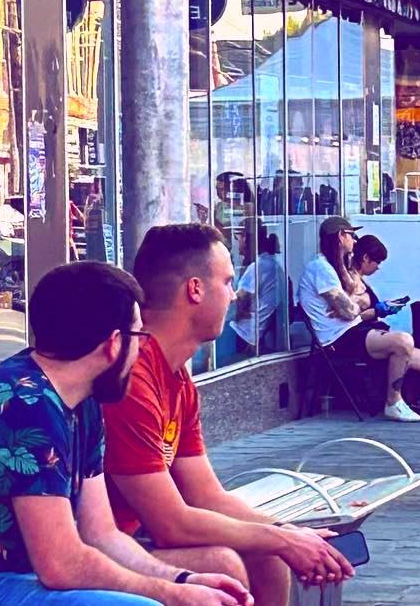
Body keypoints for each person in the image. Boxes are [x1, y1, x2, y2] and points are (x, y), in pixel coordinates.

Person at [0, 260, 250, 606]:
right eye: (140, 337)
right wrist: (171, 594)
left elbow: (101, 535)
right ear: (115, 343)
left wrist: (182, 580)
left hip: (4, 574)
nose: (142, 351)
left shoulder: (81, 403)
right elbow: (62, 565)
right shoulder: (25, 406)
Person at [103, 224, 352, 606]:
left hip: (132, 538)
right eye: (227, 281)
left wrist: (292, 535)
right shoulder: (134, 378)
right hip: (103, 547)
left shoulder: (177, 377)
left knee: (267, 554)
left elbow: (206, 495)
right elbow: (171, 525)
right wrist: (284, 537)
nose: (234, 295)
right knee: (223, 566)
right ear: (195, 290)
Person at [295, 215, 420, 423]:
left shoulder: (335, 267)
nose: (355, 241)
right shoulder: (322, 268)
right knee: (402, 341)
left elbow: (354, 305)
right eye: (352, 235)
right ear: (340, 236)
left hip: (351, 331)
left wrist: (355, 303)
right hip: (338, 339)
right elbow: (349, 311)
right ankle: (393, 402)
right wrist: (355, 304)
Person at [225, 224, 283, 357]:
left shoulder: (258, 266)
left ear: (245, 238)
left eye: (238, 238)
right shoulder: (271, 264)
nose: (237, 243)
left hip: (243, 334)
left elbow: (237, 303)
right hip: (253, 333)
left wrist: (237, 311)